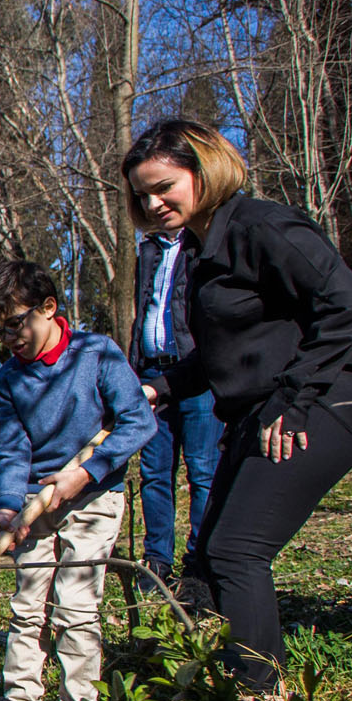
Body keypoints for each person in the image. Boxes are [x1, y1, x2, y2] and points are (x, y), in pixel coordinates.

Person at [124, 119, 352, 694]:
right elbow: (223, 353)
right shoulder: (200, 250)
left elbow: (348, 304)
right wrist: (156, 390)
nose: (153, 202)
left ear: (204, 171)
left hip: (332, 398)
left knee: (236, 549)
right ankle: (228, 672)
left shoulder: (263, 226)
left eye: (165, 186)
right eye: (142, 193)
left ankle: (256, 699)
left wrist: (295, 402)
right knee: (210, 551)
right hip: (261, 408)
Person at [0, 260, 157, 701]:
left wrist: (86, 471)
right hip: (36, 503)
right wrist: (9, 507)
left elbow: (137, 423)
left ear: (49, 308)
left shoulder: (96, 354)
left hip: (93, 494)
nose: (9, 339)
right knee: (27, 607)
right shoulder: (9, 379)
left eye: (15, 324)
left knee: (76, 609)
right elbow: (12, 452)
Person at [129, 216, 222, 588]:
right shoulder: (148, 249)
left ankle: (199, 561)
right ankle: (156, 562)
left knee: (202, 471)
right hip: (151, 373)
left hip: (195, 373)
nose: (156, 207)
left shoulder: (202, 244)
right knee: (154, 473)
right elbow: (143, 311)